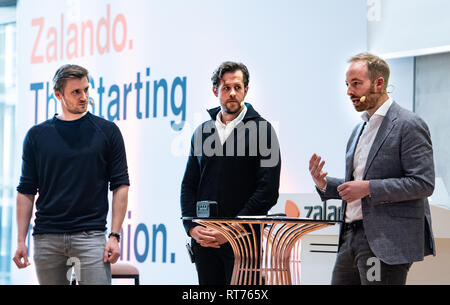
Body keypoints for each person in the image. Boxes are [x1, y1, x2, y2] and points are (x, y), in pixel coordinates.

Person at [309, 52, 435, 285]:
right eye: (347, 84)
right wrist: (324, 184)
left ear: (379, 83)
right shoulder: (359, 129)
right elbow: (356, 185)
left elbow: (423, 183)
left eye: (356, 84)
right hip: (349, 237)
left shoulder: (409, 124)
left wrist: (368, 188)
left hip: (385, 242)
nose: (349, 92)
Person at [13, 64, 130, 285]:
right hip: (47, 238)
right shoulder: (37, 136)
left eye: (86, 89)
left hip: (91, 237)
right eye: (76, 92)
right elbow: (26, 191)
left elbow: (121, 185)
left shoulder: (107, 131)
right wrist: (21, 240)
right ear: (58, 94)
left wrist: (114, 235)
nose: (84, 96)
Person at [180, 61, 281, 285]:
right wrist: (191, 228)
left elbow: (268, 191)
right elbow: (189, 185)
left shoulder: (263, 130)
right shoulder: (202, 132)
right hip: (205, 242)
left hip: (243, 242)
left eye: (238, 87)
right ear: (216, 91)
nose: (232, 93)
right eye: (226, 88)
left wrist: (232, 229)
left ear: (246, 89)